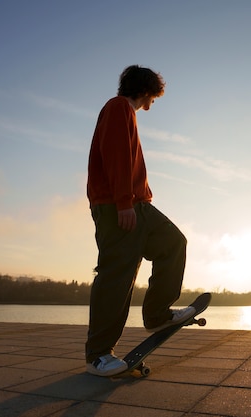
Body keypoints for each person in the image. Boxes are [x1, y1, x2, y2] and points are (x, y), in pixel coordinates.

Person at [85, 65, 195, 377]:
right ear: (146, 90)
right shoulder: (118, 107)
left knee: (173, 243)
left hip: (138, 204)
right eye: (154, 96)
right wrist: (123, 203)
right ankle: (98, 355)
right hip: (118, 205)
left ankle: (158, 314)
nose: (154, 102)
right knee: (117, 275)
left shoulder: (126, 113)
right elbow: (117, 155)